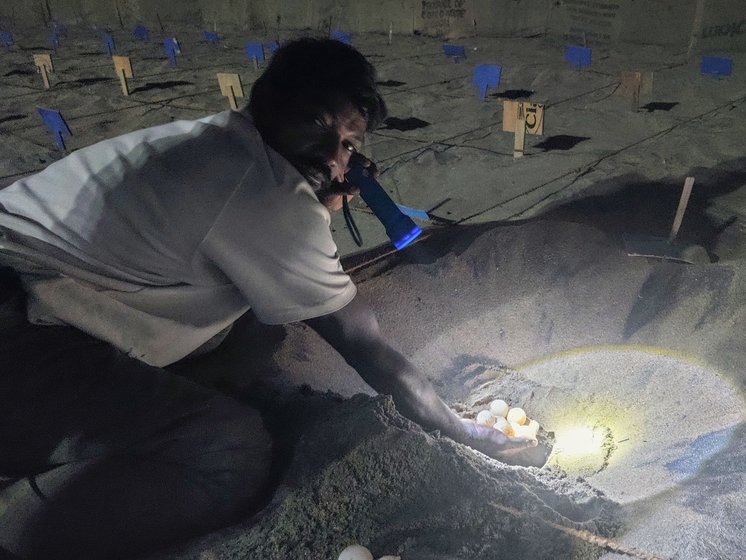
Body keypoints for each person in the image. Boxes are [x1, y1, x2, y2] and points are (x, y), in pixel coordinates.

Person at [0, 38, 534, 559]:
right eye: (320, 122)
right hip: (18, 322)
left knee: (255, 330)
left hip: (40, 289)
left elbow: (258, 237)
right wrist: (459, 428)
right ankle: (20, 523)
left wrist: (315, 206)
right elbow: (362, 344)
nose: (332, 154)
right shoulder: (266, 194)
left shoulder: (219, 142)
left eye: (349, 143)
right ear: (269, 100)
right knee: (226, 451)